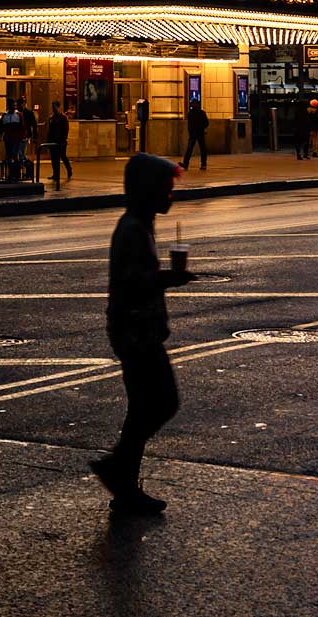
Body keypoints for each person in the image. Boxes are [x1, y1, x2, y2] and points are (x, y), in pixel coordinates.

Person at [90, 153, 196, 515]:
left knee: (144, 407)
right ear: (148, 190)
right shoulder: (133, 228)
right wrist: (169, 278)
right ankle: (119, 470)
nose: (170, 196)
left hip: (139, 330)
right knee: (162, 401)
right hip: (136, 333)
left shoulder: (141, 223)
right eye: (166, 190)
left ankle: (124, 483)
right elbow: (130, 281)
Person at [47, 99, 73, 181]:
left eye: (54, 106)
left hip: (60, 141)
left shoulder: (63, 117)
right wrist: (48, 141)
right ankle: (55, 173)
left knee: (63, 156)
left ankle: (69, 170)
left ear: (58, 107)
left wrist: (63, 139)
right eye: (52, 107)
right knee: (54, 158)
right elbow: (50, 131)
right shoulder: (51, 118)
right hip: (53, 141)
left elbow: (66, 129)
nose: (53, 109)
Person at [0, 99, 24, 174]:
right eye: (13, 105)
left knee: (14, 153)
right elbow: (1, 126)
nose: (14, 107)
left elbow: (22, 127)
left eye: (15, 105)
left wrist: (21, 136)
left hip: (16, 138)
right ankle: (12, 172)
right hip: (8, 139)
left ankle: (16, 172)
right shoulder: (5, 116)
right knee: (9, 155)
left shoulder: (18, 115)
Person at [182, 98, 209, 170]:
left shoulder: (192, 113)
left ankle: (186, 163)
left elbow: (190, 125)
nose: (193, 105)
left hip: (196, 133)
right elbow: (206, 123)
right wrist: (201, 128)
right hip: (198, 133)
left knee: (193, 148)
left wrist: (193, 130)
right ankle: (202, 164)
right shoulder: (199, 113)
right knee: (199, 148)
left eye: (193, 103)